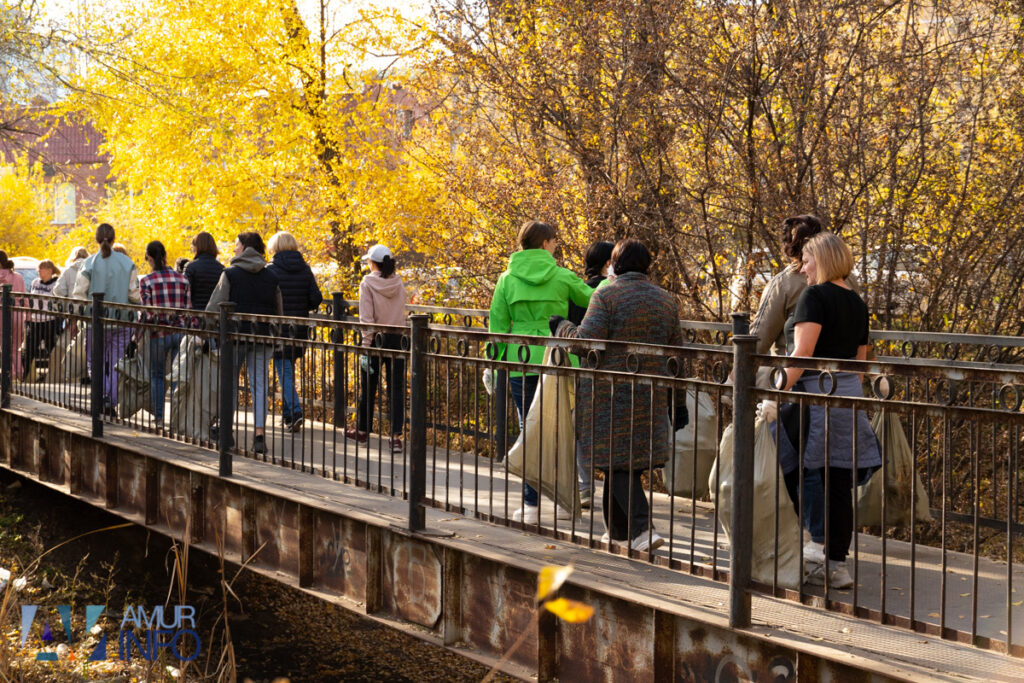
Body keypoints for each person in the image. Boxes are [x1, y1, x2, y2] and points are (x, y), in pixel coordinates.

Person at [551, 239, 680, 552]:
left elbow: (585, 341)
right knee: (622, 463)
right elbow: (676, 356)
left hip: (608, 395)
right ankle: (616, 533)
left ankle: (641, 529)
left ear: (615, 264)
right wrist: (679, 401)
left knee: (616, 460)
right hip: (650, 394)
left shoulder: (606, 294)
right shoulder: (666, 300)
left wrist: (562, 327)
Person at [776, 231, 881, 589]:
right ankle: (837, 564)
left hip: (815, 398)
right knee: (838, 483)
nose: (802, 269)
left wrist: (777, 390)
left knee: (797, 468)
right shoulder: (857, 302)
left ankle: (814, 546)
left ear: (820, 259)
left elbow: (802, 354)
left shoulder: (815, 296)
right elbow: (860, 361)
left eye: (806, 260)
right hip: (848, 398)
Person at [489, 220, 593, 524]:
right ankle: (563, 502)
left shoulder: (506, 280)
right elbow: (593, 300)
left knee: (529, 430)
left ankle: (530, 506)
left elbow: (497, 326)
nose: (556, 246)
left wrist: (494, 364)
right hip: (558, 360)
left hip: (521, 360)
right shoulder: (562, 276)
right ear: (546, 243)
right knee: (562, 429)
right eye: (554, 241)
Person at [206, 232, 283, 455]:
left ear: (245, 247)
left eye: (236, 245)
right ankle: (259, 436)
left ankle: (227, 432)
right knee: (260, 385)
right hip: (262, 336)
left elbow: (214, 308)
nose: (234, 249)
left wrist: (209, 333)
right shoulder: (271, 277)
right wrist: (276, 336)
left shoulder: (230, 274)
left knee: (228, 382)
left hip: (234, 337)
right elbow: (279, 311)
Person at [73, 223, 142, 414]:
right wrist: (137, 306)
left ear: (97, 239)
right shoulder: (127, 263)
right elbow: (134, 294)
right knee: (115, 363)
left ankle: (99, 399)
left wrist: (79, 314)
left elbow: (78, 294)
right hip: (121, 320)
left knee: (95, 362)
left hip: (94, 321)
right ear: (113, 238)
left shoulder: (88, 263)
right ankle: (110, 402)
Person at [567, 240, 614, 508]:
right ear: (608, 263)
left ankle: (585, 487)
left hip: (579, 365)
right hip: (611, 368)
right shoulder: (613, 291)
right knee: (609, 427)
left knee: (580, 428)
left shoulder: (577, 290)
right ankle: (611, 486)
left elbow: (572, 327)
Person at [346, 244, 407, 450]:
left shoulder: (367, 283)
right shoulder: (399, 283)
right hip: (397, 339)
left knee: (368, 387)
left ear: (373, 263)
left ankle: (363, 431)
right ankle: (395, 437)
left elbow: (366, 318)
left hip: (374, 340)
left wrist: (365, 346)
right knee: (396, 388)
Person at [266, 231, 323, 432]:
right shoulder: (305, 270)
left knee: (284, 371)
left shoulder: (271, 270)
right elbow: (316, 298)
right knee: (287, 369)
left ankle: (296, 412)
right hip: (299, 329)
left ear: (275, 247)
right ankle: (289, 416)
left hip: (279, 329)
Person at [141, 241, 192, 428]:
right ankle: (178, 418)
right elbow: (188, 310)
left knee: (157, 375)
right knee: (180, 375)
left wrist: (135, 338)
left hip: (158, 334)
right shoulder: (182, 280)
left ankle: (160, 419)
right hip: (179, 333)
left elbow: (146, 314)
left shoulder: (146, 281)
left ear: (150, 258)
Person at [23, 260, 61, 378]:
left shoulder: (56, 284)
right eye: (38, 269)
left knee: (52, 350)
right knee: (29, 350)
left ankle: (53, 376)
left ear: (49, 270)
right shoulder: (35, 282)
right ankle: (26, 375)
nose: (38, 271)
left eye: (41, 269)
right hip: (35, 321)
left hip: (49, 321)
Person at [0, 251, 27, 379]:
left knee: (3, 346)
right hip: (17, 314)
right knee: (16, 347)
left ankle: (9, 375)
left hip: (1, 315)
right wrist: (27, 316)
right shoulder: (18, 277)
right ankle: (19, 373)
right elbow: (25, 298)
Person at [184, 231, 225, 311]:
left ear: (197, 247)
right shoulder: (221, 268)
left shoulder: (191, 267)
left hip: (195, 314)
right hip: (214, 315)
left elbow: (186, 292)